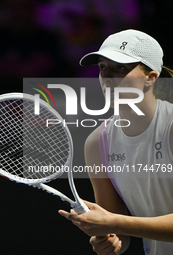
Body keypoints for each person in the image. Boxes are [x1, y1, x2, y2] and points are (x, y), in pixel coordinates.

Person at [58, 29, 173, 255]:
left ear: (150, 78)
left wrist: (114, 223)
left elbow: (116, 221)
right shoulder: (97, 143)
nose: (107, 77)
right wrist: (110, 240)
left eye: (120, 68)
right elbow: (118, 232)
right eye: (103, 68)